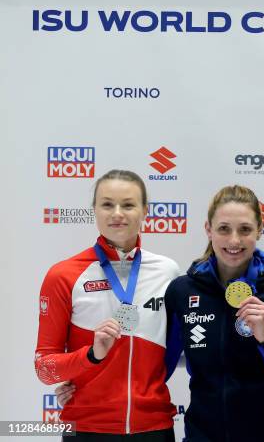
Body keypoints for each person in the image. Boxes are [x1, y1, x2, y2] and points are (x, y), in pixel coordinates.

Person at [163, 185, 264, 442]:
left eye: (245, 229)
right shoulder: (182, 291)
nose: (234, 240)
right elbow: (155, 371)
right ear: (208, 230)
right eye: (224, 229)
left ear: (259, 229)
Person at [35, 170, 179, 441]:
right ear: (94, 210)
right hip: (87, 428)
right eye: (107, 204)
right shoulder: (63, 275)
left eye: (128, 204)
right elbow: (44, 367)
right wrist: (90, 357)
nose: (117, 213)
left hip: (154, 427)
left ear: (145, 211)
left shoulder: (168, 272)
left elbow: (177, 346)